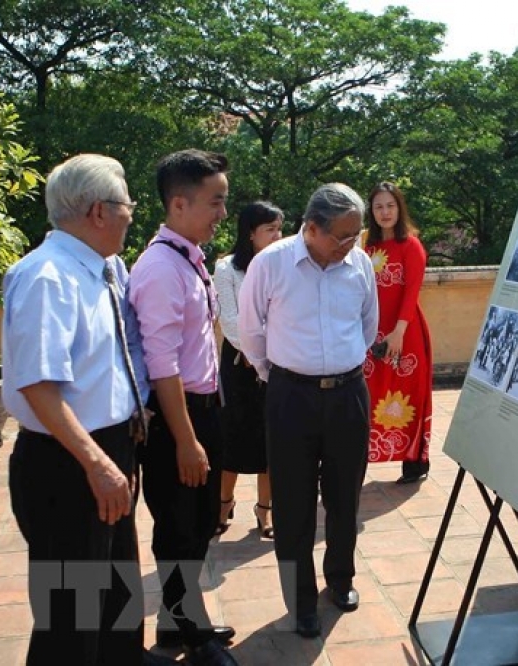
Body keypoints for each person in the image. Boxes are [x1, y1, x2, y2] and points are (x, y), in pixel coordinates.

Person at [1, 154, 176, 665]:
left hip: (106, 448)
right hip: (68, 460)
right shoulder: (47, 278)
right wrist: (96, 463)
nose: (132, 214)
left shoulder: (101, 269)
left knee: (115, 584)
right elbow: (38, 386)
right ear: (99, 211)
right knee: (70, 610)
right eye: (126, 205)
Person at [237, 183, 378, 639]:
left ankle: (341, 579)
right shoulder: (272, 263)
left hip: (348, 394)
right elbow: (250, 329)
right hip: (290, 397)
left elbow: (368, 323)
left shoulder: (357, 264)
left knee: (344, 495)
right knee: (294, 504)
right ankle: (300, 602)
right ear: (311, 228)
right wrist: (275, 375)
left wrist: (343, 365)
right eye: (343, 236)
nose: (352, 244)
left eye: (357, 234)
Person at [129, 149, 238, 665]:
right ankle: (190, 634)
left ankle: (180, 623)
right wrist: (188, 439)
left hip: (203, 407)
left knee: (196, 524)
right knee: (178, 525)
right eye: (214, 201)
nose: (222, 212)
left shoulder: (187, 257)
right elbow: (161, 364)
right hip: (181, 416)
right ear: (178, 203)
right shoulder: (158, 269)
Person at [213, 202, 283, 538]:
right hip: (240, 363)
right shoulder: (226, 268)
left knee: (270, 439)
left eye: (279, 229)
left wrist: (269, 358)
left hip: (275, 362)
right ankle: (223, 502)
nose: (277, 236)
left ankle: (264, 509)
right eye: (270, 229)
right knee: (234, 435)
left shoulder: (283, 265)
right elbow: (229, 321)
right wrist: (258, 357)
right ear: (250, 232)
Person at [363, 182, 433, 484]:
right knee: (370, 394)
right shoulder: (367, 248)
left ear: (399, 208)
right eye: (378, 206)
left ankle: (415, 461)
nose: (385, 212)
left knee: (409, 395)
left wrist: (398, 332)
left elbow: (411, 292)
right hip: (372, 334)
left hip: (406, 332)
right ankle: (363, 455)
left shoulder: (412, 246)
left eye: (390, 205)